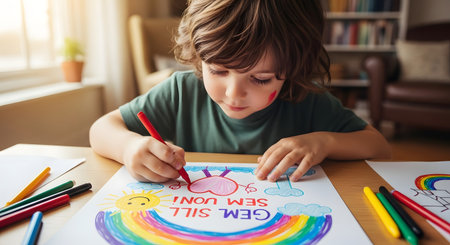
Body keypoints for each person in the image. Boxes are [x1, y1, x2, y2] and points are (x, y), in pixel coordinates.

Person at [89, 0, 391, 183]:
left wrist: (324, 142)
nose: (233, 94)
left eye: (260, 79)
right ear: (198, 57)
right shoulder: (181, 91)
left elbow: (378, 146)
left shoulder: (307, 99)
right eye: (218, 71)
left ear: (293, 69)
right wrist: (128, 148)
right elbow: (101, 129)